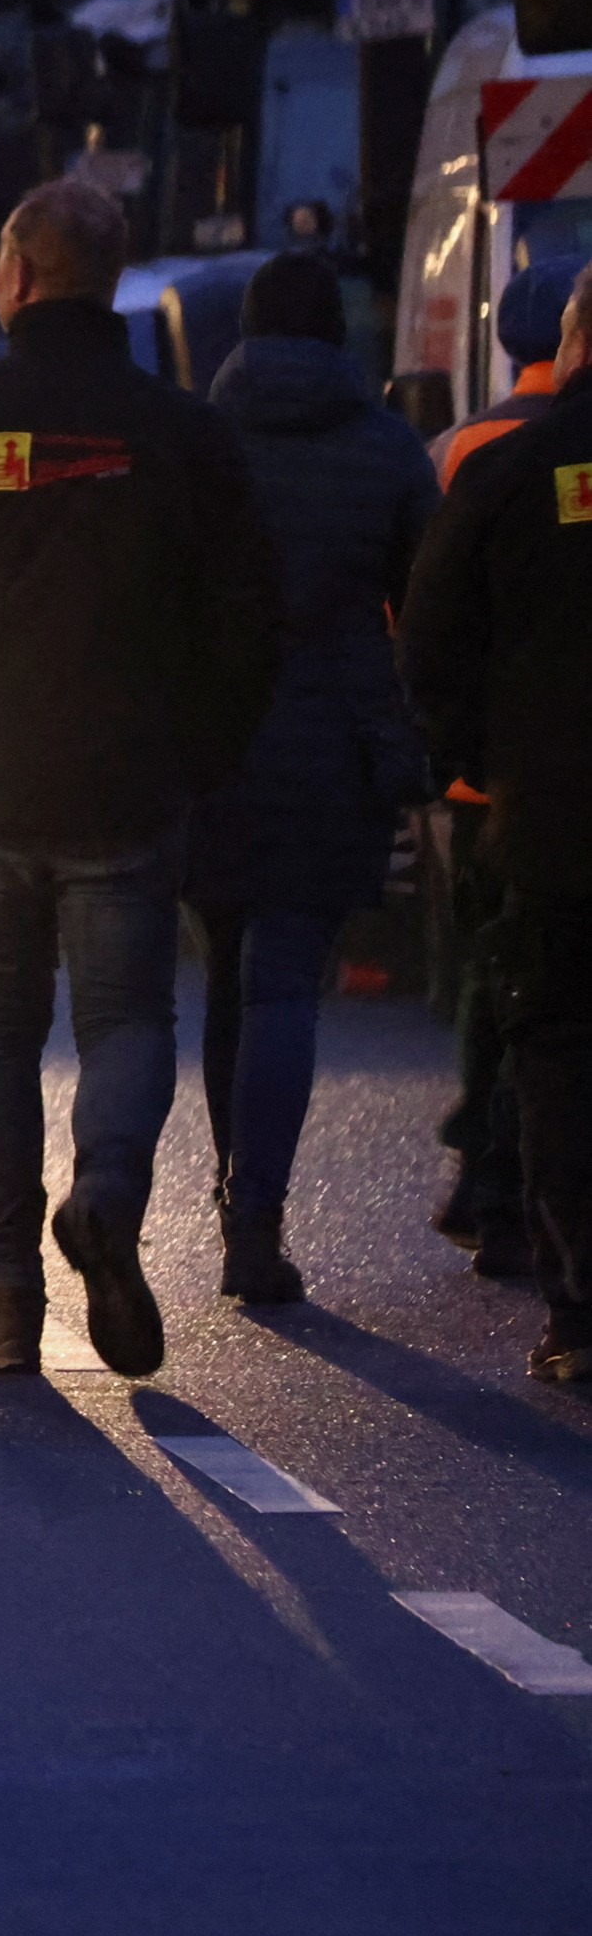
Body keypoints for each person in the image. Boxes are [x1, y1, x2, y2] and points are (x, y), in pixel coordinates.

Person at [0, 176, 281, 1380]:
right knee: (128, 1016)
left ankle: (1, 1299)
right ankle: (104, 1189)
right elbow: (249, 616)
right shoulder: (181, 433)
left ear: (17, 278)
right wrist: (198, 752)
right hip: (130, 785)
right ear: (112, 272)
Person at [177, 250, 436, 1305]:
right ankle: (258, 1217)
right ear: (339, 333)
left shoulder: (198, 444)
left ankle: (228, 1187)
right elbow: (426, 601)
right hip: (332, 742)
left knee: (228, 963)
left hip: (210, 738)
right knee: (288, 973)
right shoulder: (384, 447)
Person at [406, 260, 592, 1389]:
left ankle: (577, 1304)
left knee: (561, 1055)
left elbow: (430, 636)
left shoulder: (508, 467)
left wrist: (481, 759)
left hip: (551, 815)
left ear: (571, 343)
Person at [434, 252, 576, 1277]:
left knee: (539, 1017)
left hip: (532, 798)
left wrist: (467, 761)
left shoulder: (484, 453)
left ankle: (553, 1260)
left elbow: (430, 624)